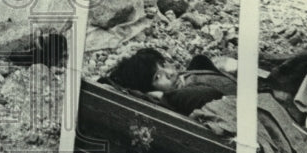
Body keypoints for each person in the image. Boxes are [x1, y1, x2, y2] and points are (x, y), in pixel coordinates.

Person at [102, 48, 240, 116]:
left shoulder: (182, 79)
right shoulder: (178, 97)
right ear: (150, 91)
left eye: (164, 64)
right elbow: (207, 94)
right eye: (157, 77)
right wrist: (165, 97)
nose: (170, 73)